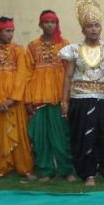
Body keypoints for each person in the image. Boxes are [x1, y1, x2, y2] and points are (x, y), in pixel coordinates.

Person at [60, 0, 104, 186]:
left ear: (100, 27)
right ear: (83, 29)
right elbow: (68, 77)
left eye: (96, 25)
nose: (94, 29)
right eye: (89, 26)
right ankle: (88, 175)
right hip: (80, 99)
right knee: (84, 137)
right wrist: (65, 101)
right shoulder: (74, 50)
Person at [0, 16, 36, 180]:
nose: (11, 34)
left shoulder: (18, 50)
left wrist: (12, 99)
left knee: (20, 136)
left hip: (15, 102)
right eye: (7, 31)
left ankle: (25, 168)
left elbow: (22, 76)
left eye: (12, 31)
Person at [25, 10, 75, 182]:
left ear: (57, 24)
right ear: (40, 24)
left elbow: (70, 72)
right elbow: (27, 73)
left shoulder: (65, 44)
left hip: (58, 97)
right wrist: (28, 100)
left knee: (61, 136)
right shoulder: (32, 46)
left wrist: (68, 97)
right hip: (38, 97)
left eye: (53, 22)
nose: (50, 25)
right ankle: (46, 171)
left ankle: (66, 170)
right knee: (40, 137)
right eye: (47, 22)